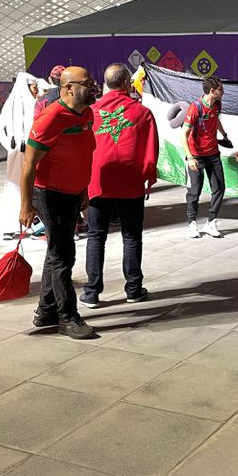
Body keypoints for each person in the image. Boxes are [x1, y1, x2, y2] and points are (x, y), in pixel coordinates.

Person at [19, 66, 99, 338]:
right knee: (64, 255)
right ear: (68, 88)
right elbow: (29, 163)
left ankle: (46, 311)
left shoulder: (86, 113)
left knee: (56, 252)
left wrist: (83, 189)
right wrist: (26, 204)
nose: (93, 87)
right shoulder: (50, 117)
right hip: (50, 194)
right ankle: (68, 317)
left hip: (72, 193)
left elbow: (82, 153)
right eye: (87, 84)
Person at [82, 63, 158, 308]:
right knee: (131, 236)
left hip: (99, 182)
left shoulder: (91, 112)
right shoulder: (142, 113)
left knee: (96, 236)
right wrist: (146, 176)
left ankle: (92, 293)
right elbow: (151, 150)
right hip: (130, 183)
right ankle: (134, 289)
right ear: (127, 83)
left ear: (106, 84)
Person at [0, 72, 43, 239]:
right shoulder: (12, 103)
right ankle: (10, 226)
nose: (36, 90)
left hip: (34, 151)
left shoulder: (37, 103)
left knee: (33, 187)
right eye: (34, 87)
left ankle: (32, 226)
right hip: (17, 153)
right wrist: (10, 145)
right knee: (14, 187)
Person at [183, 76, 230, 239]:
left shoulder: (217, 105)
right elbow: (184, 134)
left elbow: (215, 119)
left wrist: (224, 135)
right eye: (220, 90)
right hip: (196, 156)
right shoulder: (195, 108)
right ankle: (192, 223)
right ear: (212, 91)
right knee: (194, 191)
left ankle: (211, 222)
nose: (223, 92)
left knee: (219, 188)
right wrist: (190, 158)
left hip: (213, 154)